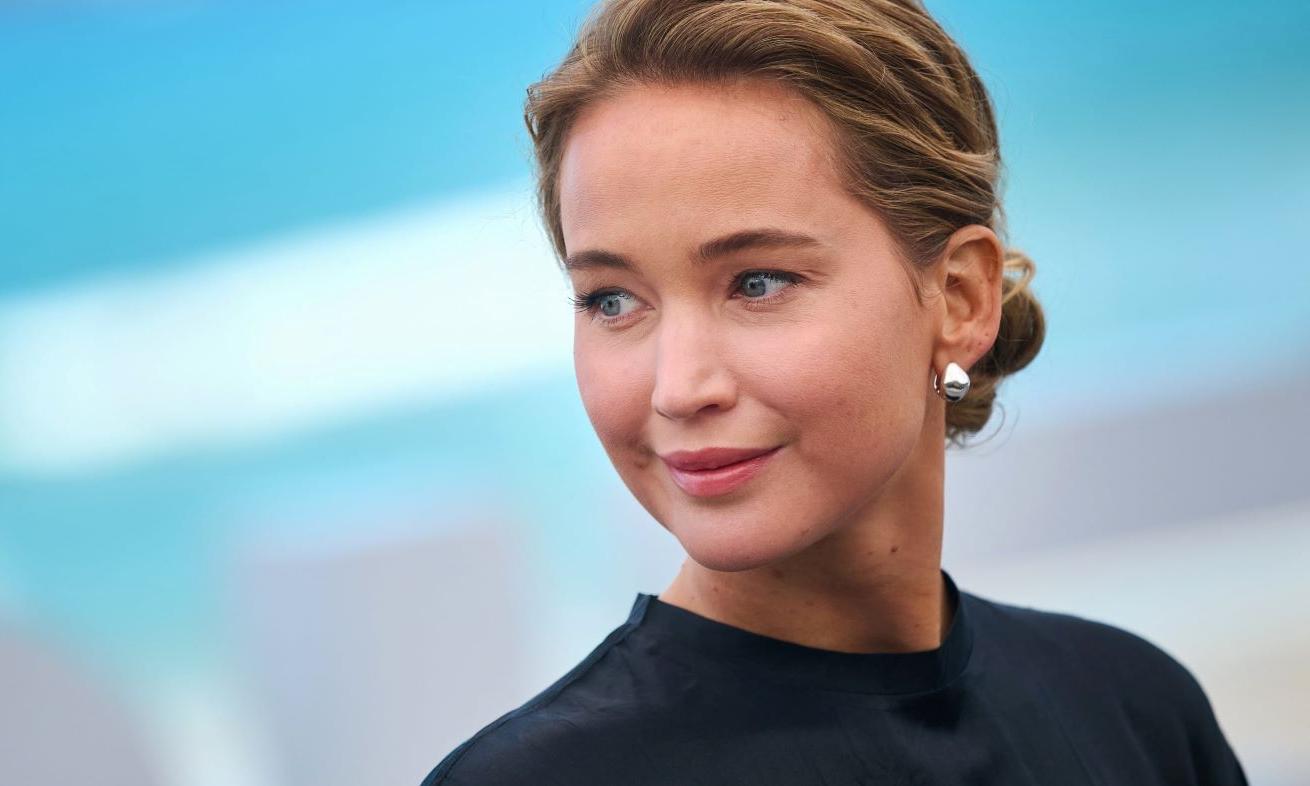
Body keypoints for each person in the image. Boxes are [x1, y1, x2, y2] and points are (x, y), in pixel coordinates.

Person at [421, 0, 1249, 783]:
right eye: (612, 300)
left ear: (960, 299)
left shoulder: (1137, 715)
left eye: (758, 282)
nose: (678, 388)